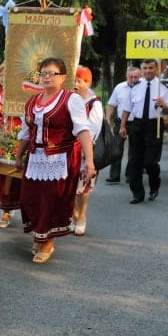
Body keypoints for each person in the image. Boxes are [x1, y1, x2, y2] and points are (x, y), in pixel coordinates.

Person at [13, 57, 96, 264]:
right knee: (29, 198)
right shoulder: (32, 101)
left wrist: (90, 162)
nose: (47, 77)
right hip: (34, 157)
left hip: (59, 159)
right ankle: (40, 234)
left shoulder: (71, 99)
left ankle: (47, 241)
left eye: (52, 73)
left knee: (51, 200)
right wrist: (18, 156)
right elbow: (26, 131)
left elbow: (83, 131)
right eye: (43, 73)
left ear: (63, 78)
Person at [119, 58, 168, 204]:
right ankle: (137, 194)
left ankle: (154, 186)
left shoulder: (164, 86)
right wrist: (123, 125)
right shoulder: (134, 86)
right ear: (141, 70)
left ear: (157, 69)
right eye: (145, 68)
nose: (148, 71)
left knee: (151, 161)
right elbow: (127, 107)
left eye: (151, 68)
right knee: (135, 161)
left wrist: (163, 105)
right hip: (137, 125)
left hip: (154, 125)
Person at [0, 62, 22, 229]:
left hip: (14, 139)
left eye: (7, 76)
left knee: (11, 175)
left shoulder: (20, 95)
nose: (3, 79)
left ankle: (7, 211)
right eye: (1, 76)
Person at [71, 66, 102, 236]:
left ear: (87, 82)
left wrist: (85, 149)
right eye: (74, 80)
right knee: (71, 186)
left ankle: (81, 216)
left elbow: (93, 128)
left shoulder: (94, 103)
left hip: (84, 150)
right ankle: (73, 214)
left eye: (79, 81)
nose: (75, 84)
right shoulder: (69, 99)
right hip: (69, 149)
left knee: (83, 186)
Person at [105, 66, 141, 183]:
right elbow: (111, 104)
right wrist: (107, 119)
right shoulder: (120, 87)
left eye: (136, 77)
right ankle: (114, 176)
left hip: (136, 122)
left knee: (134, 150)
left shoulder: (142, 88)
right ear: (127, 76)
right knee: (116, 149)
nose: (133, 79)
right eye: (131, 77)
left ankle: (130, 175)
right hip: (121, 121)